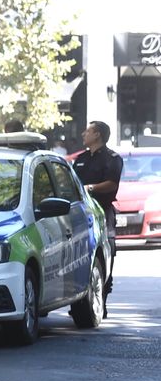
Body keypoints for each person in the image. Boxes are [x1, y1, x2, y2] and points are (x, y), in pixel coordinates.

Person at [73, 119, 124, 296]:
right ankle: (80, 296)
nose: (83, 134)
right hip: (81, 212)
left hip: (102, 211)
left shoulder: (112, 159)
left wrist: (91, 188)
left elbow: (112, 183)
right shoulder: (81, 159)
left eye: (88, 131)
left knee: (106, 251)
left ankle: (102, 297)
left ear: (97, 135)